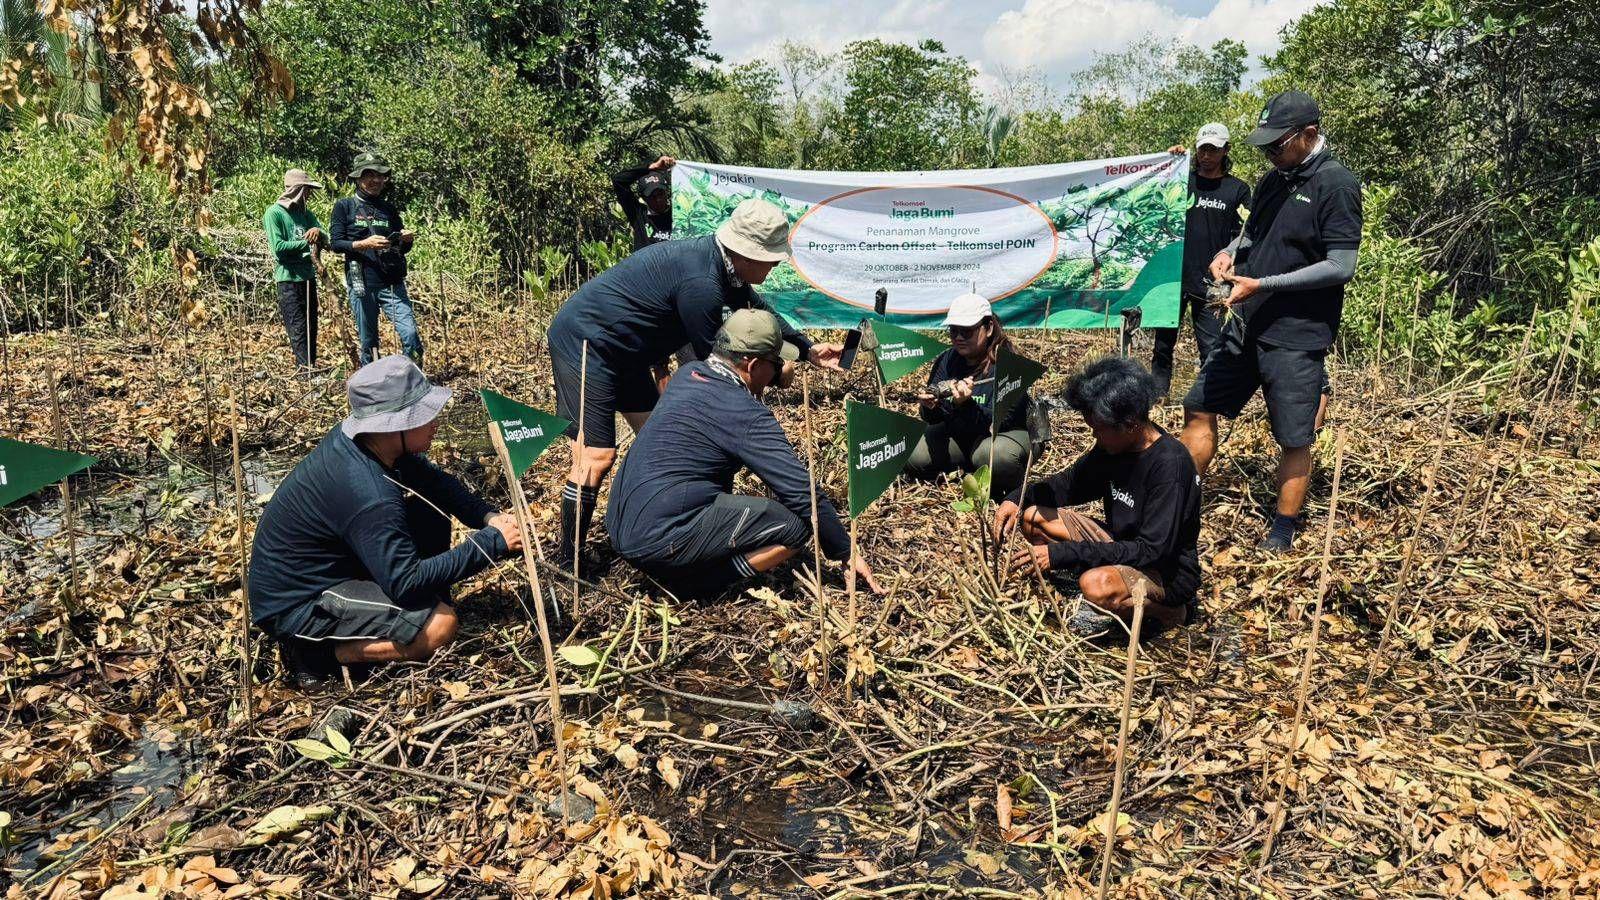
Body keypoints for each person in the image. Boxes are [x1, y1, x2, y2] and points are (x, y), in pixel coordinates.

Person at [546, 198, 843, 572]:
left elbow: (756, 310)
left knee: (658, 436)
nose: (773, 264)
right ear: (746, 253)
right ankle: (568, 561)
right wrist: (771, 380)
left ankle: (666, 522)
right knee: (596, 456)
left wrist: (806, 349)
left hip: (629, 352)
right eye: (770, 257)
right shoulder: (701, 283)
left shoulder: (723, 266)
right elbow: (718, 368)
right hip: (588, 343)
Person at [247, 356, 523, 688]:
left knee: (430, 507)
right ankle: (315, 655)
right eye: (424, 414)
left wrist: (490, 517)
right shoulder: (369, 492)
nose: (436, 420)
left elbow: (440, 485)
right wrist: (491, 543)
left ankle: (404, 613)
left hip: (334, 566)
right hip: (300, 602)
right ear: (395, 425)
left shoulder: (373, 445)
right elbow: (405, 581)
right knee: (440, 626)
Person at [1180, 90, 1361, 552]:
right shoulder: (1272, 180)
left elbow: (1341, 266)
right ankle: (1179, 496)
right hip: (1245, 323)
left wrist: (1265, 284)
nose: (1269, 154)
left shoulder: (1336, 185)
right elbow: (1251, 236)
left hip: (1296, 335)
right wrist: (1227, 253)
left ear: (1309, 135)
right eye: (1264, 147)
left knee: (1293, 437)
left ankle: (1282, 530)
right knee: (1199, 404)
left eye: (1276, 145)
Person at [606, 310, 879, 598]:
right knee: (795, 528)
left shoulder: (689, 374)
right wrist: (844, 551)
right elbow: (802, 491)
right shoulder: (744, 413)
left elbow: (745, 377)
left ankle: (687, 559)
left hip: (620, 525)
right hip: (659, 539)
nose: (776, 371)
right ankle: (704, 582)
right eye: (774, 364)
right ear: (753, 364)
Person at [996, 357, 1200, 638]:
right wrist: (1016, 499)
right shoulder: (1111, 449)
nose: (1094, 436)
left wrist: (1061, 553)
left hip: (1163, 570)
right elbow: (1066, 485)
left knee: (1096, 586)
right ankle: (1084, 585)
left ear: (1129, 424)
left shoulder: (1170, 466)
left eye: (1098, 429)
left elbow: (1151, 550)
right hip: (1121, 544)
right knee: (1033, 518)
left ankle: (1172, 612)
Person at [1153, 124, 1251, 396]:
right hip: (1173, 280)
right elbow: (1156, 194)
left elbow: (1246, 234)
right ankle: (1158, 399)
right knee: (1162, 346)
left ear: (1226, 150)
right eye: (1202, 149)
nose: (1207, 155)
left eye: (1213, 150)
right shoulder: (1183, 181)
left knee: (1211, 346)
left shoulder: (1238, 190)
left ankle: (1208, 402)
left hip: (1212, 281)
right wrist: (1171, 161)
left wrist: (1230, 268)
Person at [904, 293, 1032, 498]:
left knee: (994, 456)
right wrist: (930, 407)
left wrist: (964, 405)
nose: (959, 338)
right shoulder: (947, 359)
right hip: (963, 433)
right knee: (911, 452)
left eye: (967, 331)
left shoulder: (1010, 364)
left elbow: (999, 422)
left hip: (1004, 435)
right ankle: (969, 468)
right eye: (954, 331)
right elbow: (933, 418)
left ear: (988, 327)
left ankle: (1005, 484)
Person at [331, 152, 423, 365]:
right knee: (369, 342)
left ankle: (415, 380)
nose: (376, 180)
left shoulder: (388, 209)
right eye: (369, 175)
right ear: (357, 178)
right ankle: (373, 390)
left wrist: (406, 239)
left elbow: (400, 248)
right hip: (361, 282)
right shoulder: (344, 207)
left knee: (410, 334)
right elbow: (336, 244)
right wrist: (365, 244)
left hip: (391, 283)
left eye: (380, 175)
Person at [264, 169, 328, 372]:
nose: (309, 195)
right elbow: (279, 249)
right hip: (288, 279)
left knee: (311, 326)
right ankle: (305, 372)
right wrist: (305, 242)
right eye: (307, 190)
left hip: (308, 277)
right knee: (298, 328)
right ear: (297, 190)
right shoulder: (274, 213)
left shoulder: (306, 215)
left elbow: (325, 239)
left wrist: (319, 232)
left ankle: (311, 367)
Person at [612, 156, 675, 250]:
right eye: (652, 196)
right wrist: (651, 167)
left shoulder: (678, 215)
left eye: (660, 194)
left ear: (666, 192)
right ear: (644, 198)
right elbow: (618, 180)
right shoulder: (638, 215)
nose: (658, 200)